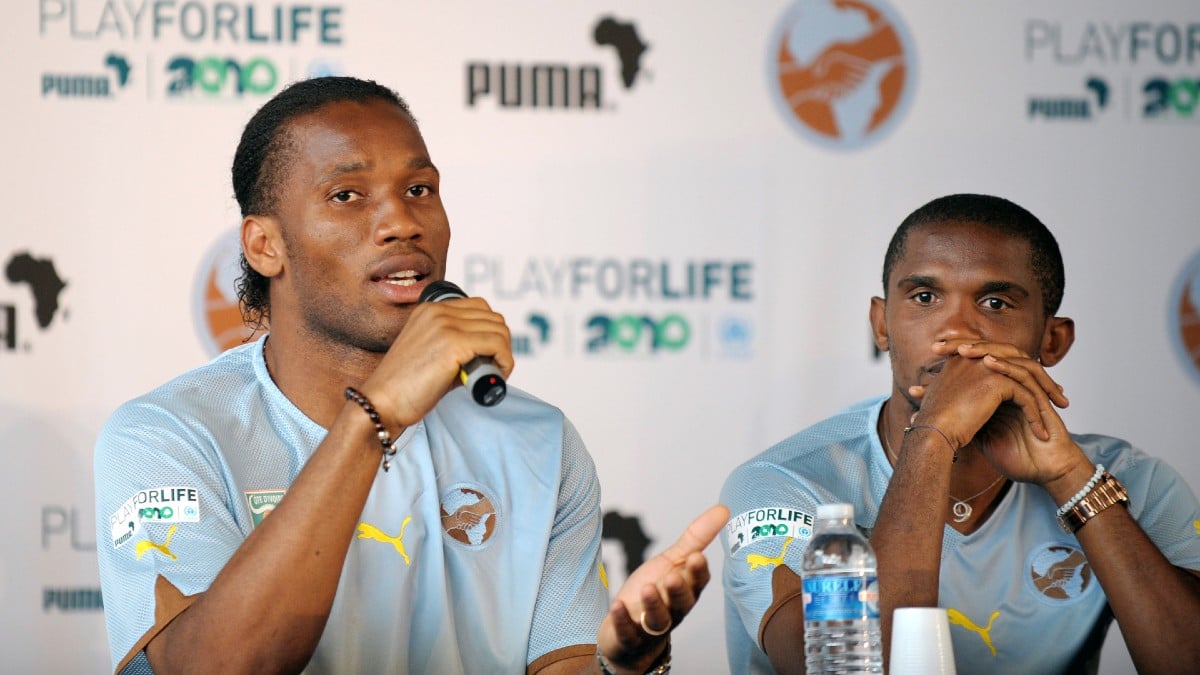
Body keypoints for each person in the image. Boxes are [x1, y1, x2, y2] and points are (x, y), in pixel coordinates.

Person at [94, 75, 727, 675]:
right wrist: (375, 414)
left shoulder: (540, 440)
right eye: (347, 196)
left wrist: (623, 661)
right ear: (265, 246)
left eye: (420, 189)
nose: (403, 222)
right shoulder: (166, 439)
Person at [720, 194, 1200, 673]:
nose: (955, 332)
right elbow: (845, 670)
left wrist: (1072, 477)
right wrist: (932, 438)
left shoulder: (1128, 480)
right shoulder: (780, 482)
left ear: (1051, 340)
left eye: (994, 303)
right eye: (925, 297)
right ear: (881, 324)